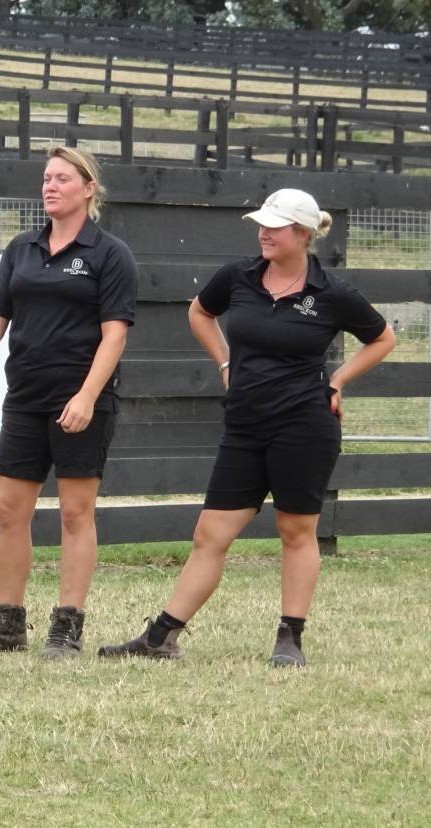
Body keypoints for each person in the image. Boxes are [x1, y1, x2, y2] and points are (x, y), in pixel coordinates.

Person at [98, 188, 395, 667]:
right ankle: (160, 638)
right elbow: (200, 312)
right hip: (245, 426)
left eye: (274, 227)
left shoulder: (332, 293)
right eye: (261, 224)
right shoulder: (238, 277)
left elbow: (382, 338)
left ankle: (289, 639)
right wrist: (224, 363)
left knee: (296, 531)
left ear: (301, 234)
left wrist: (337, 379)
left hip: (304, 427)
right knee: (210, 534)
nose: (263, 233)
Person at [0, 146, 137, 659]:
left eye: (62, 178)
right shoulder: (22, 248)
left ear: (88, 189)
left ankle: (67, 627)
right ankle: (7, 625)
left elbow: (114, 336)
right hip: (25, 399)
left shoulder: (109, 253)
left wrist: (85, 396)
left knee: (76, 515)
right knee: (10, 513)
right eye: (46, 178)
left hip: (82, 402)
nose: (50, 186)